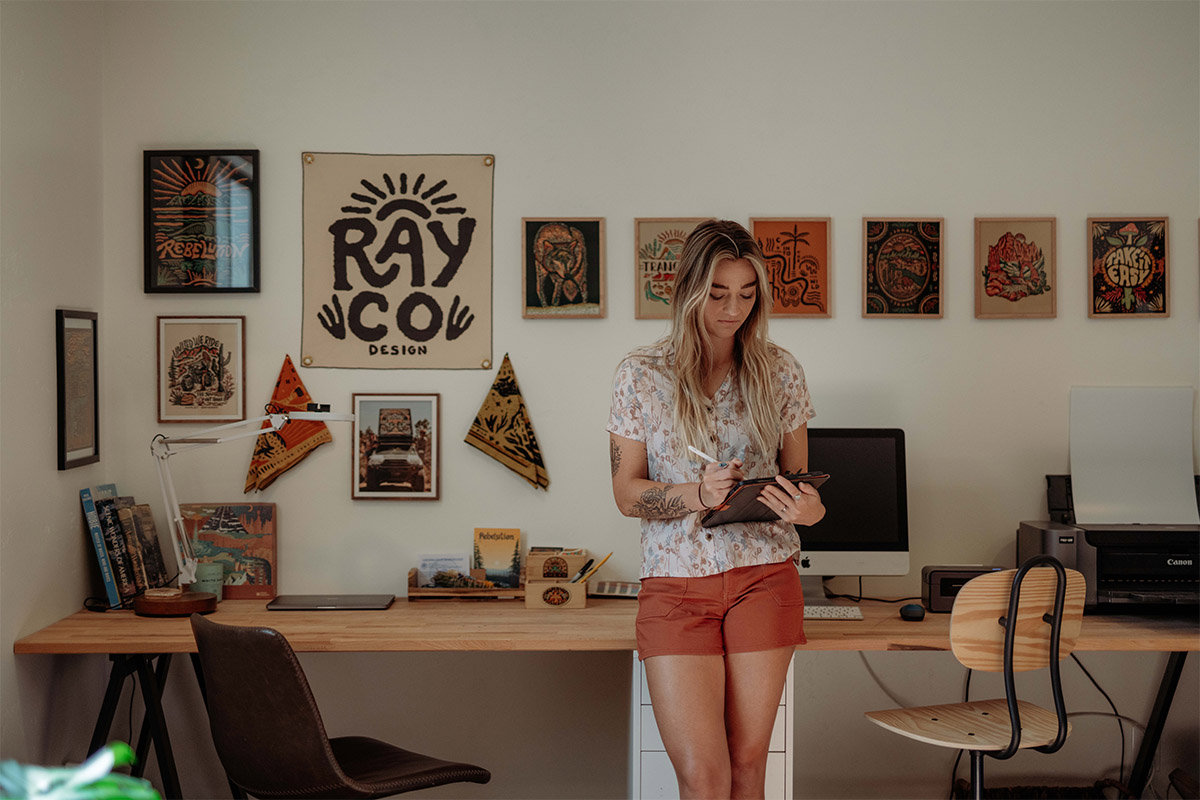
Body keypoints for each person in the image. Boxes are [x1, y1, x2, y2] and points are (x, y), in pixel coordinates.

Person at [608, 219, 825, 799]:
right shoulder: (641, 376)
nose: (733, 309)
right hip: (674, 587)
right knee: (704, 777)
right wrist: (696, 495)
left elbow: (803, 488)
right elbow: (628, 494)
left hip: (764, 578)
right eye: (719, 294)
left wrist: (807, 511)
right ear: (688, 291)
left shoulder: (780, 371)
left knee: (748, 764)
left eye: (747, 294)